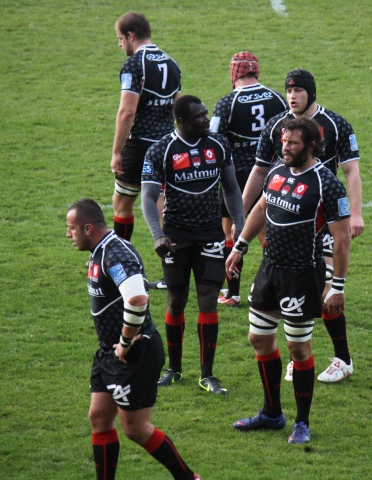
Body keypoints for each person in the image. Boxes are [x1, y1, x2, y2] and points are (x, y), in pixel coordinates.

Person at [227, 117, 351, 444]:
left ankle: (302, 423)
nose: (285, 148)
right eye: (283, 142)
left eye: (292, 143)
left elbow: (341, 238)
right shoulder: (277, 171)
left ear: (310, 145)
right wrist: (240, 246)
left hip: (302, 274)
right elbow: (261, 207)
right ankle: (271, 413)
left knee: (298, 347)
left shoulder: (327, 183)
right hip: (270, 269)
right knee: (258, 338)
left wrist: (337, 286)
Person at [241, 68, 363, 383]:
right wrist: (242, 212)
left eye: (298, 91)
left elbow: (351, 170)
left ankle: (341, 358)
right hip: (287, 219)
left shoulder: (336, 124)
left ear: (311, 93)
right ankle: (299, 355)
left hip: (321, 221)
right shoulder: (275, 126)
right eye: (289, 90)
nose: (292, 96)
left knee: (326, 290)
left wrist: (356, 213)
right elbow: (260, 171)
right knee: (288, 287)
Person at [66, 199, 201, 480]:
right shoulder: (100, 250)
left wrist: (125, 343)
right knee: (99, 418)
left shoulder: (116, 254)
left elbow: (138, 299)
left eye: (72, 228)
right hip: (109, 351)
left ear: (88, 228)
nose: (68, 234)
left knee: (135, 428)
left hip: (134, 352)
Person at [141, 95, 245, 394]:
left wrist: (238, 224)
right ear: (182, 121)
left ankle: (207, 375)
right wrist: (158, 235)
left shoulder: (219, 144)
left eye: (206, 113)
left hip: (210, 233)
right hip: (176, 236)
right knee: (176, 299)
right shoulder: (160, 150)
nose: (206, 119)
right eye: (200, 116)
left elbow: (231, 188)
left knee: (208, 299)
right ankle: (173, 369)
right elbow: (148, 196)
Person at [209, 51, 287, 308]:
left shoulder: (227, 103)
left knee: (230, 232)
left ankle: (232, 294)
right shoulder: (277, 98)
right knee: (267, 233)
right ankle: (279, 287)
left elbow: (214, 141)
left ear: (234, 73)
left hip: (236, 177)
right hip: (271, 173)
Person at [110, 12, 181, 249]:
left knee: (122, 202)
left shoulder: (133, 64)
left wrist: (117, 152)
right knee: (162, 204)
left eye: (120, 39)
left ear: (131, 36)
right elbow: (177, 108)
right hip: (166, 145)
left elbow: (127, 112)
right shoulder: (172, 64)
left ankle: (122, 256)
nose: (120, 44)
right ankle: (172, 261)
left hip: (139, 144)